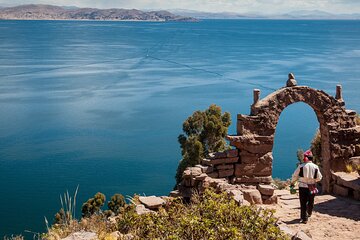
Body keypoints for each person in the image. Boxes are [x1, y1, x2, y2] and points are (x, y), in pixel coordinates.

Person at [291, 150, 322, 224]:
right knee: (311, 201)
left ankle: (304, 218)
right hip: (312, 186)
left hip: (302, 186)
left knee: (303, 202)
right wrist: (314, 181)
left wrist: (292, 182)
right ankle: (309, 212)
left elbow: (295, 175)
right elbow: (319, 177)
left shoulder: (301, 166)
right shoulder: (315, 167)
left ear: (306, 158)